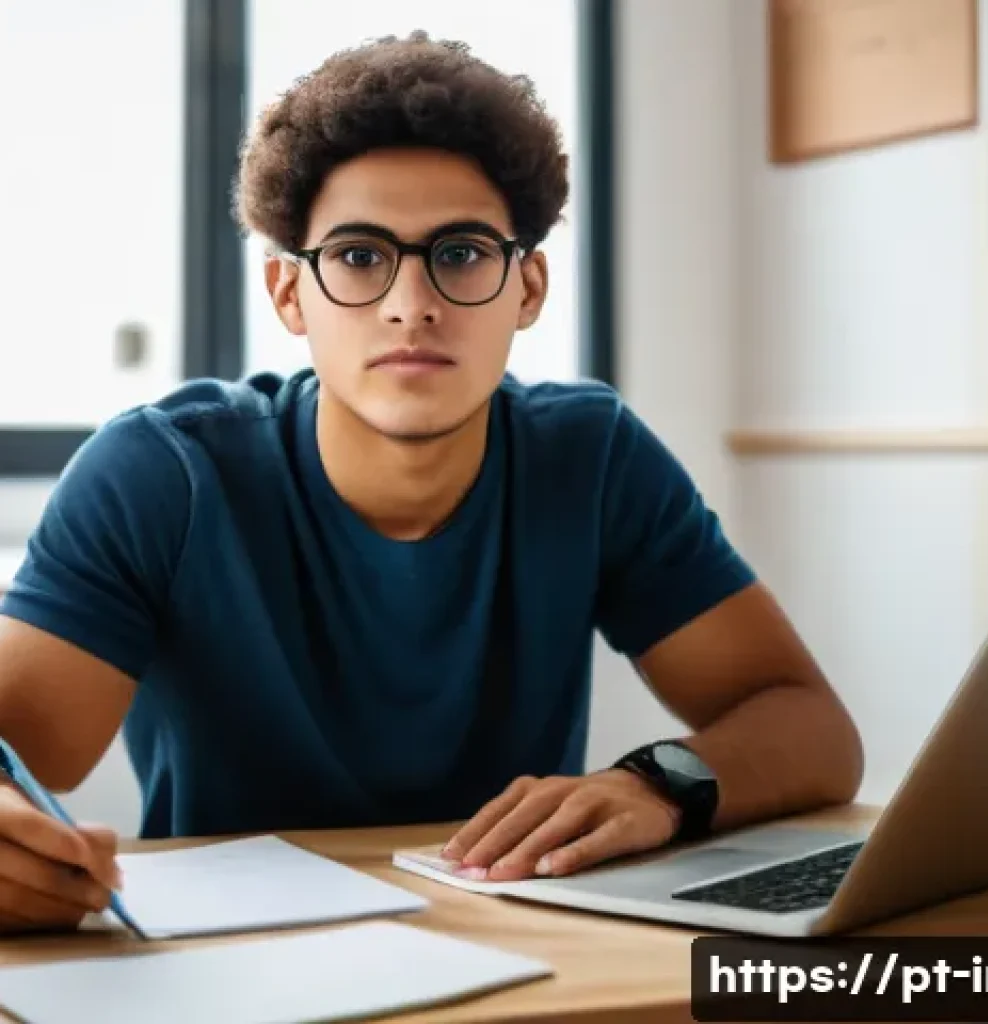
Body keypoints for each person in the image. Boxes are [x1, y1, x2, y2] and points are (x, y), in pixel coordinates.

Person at [0, 32, 863, 934]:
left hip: (522, 945)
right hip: (233, 958)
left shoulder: (590, 459)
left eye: (459, 253)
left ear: (527, 286)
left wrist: (658, 784)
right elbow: (18, 754)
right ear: (290, 295)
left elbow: (812, 729)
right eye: (361, 257)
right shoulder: (160, 474)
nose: (413, 303)